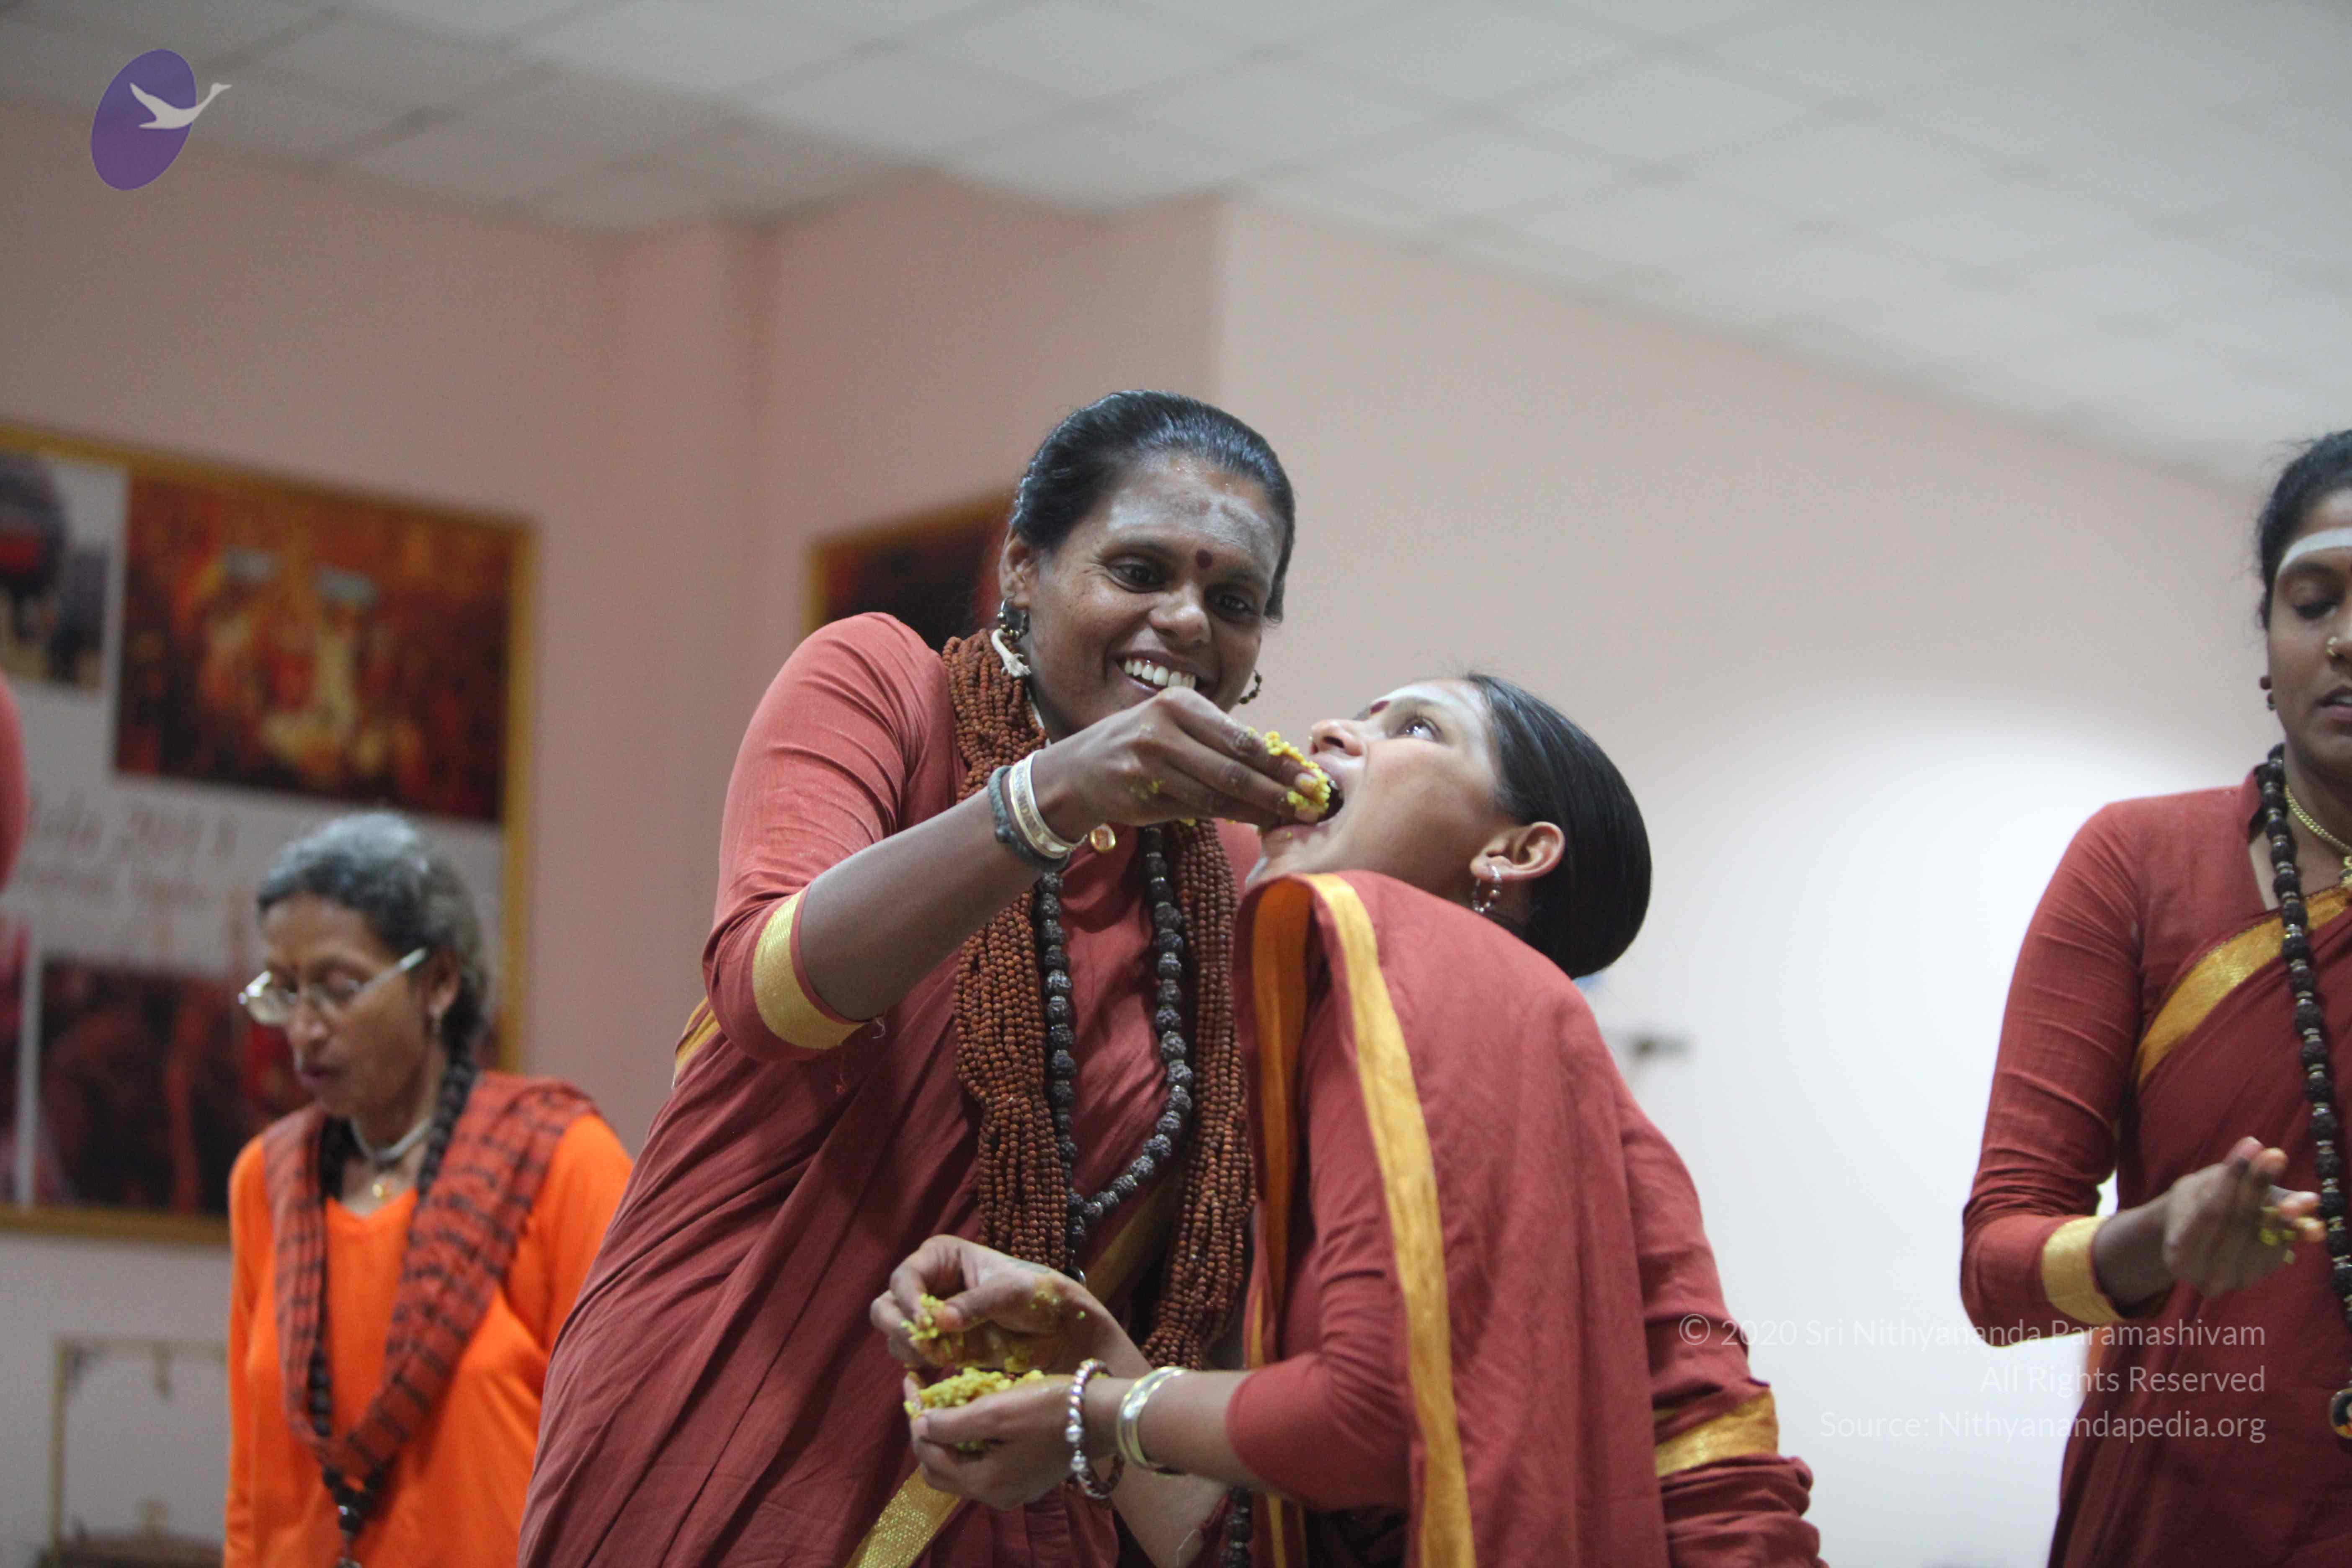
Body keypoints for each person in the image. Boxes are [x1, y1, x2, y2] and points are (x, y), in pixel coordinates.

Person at [519, 392, 1322, 1568]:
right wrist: (1054, 794)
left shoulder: (1228, 877)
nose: (1186, 620)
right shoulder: (885, 688)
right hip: (728, 1406)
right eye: (1139, 570)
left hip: (1014, 1476)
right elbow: (772, 994)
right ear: (1024, 570)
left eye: (1235, 600)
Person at [877, 675, 1824, 1566]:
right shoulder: (1409, 1011)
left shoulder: (1438, 961)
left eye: (1415, 728)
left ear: (1515, 852)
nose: (1333, 731)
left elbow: (1369, 1420)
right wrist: (1085, 1349)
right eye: (1362, 714)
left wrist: (1090, 1414)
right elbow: (1270, 1535)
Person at [1962, 430, 2352, 1566]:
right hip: (2192, 1512)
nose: (2346, 640)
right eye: (2314, 602)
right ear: (2268, 643)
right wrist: (2157, 1238)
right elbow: (1998, 1279)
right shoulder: (2140, 863)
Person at [223, 814, 630, 1568]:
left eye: (338, 988)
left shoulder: (561, 1162)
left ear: (438, 982)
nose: (303, 1029)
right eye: (284, 991)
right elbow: (252, 1491)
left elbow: (628, 1456)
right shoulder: (267, 1178)